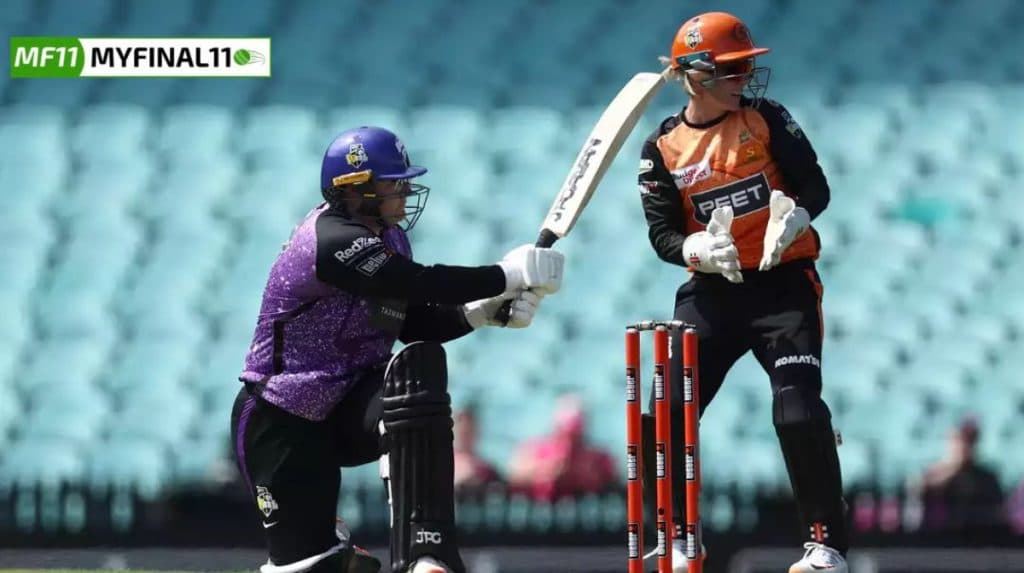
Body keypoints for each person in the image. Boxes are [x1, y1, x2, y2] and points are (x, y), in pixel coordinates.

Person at [229, 126, 565, 573]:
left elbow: (415, 324)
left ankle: (426, 550)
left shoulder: (389, 240)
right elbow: (415, 282)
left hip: (349, 404)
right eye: (394, 182)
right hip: (283, 418)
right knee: (315, 567)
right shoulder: (330, 241)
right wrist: (504, 275)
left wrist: (484, 312)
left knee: (414, 383)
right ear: (357, 189)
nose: (405, 190)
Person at [637, 12, 847, 572]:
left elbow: (815, 184)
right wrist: (697, 250)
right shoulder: (661, 148)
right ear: (694, 74)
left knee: (798, 410)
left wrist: (797, 217)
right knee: (665, 410)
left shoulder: (766, 119)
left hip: (783, 284)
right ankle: (681, 537)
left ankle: (825, 544)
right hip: (714, 290)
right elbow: (662, 233)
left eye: (746, 67)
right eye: (731, 70)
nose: (745, 78)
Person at [507, 394, 617, 501]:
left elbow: (614, 484)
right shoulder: (536, 451)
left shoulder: (597, 458)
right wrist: (545, 470)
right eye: (565, 435)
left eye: (575, 437)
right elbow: (514, 477)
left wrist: (581, 475)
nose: (569, 444)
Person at [907, 418, 1006, 533]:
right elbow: (916, 508)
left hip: (977, 542)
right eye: (958, 440)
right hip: (935, 542)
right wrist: (952, 469)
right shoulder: (928, 475)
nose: (963, 445)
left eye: (969, 440)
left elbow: (997, 516)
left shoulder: (988, 479)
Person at [452, 404, 501, 496]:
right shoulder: (442, 464)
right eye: (462, 426)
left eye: (469, 428)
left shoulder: (487, 469)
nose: (465, 430)